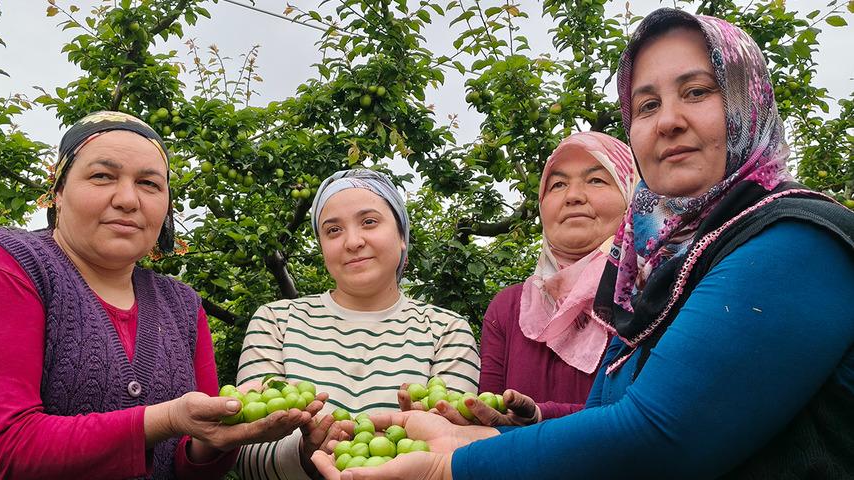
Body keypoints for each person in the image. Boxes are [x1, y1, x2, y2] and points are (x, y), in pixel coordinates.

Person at [311, 8, 854, 479]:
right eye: (645, 105)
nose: (667, 121)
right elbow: (613, 415)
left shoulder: (796, 239)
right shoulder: (662, 270)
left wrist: (450, 466)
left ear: (747, 101)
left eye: (698, 91)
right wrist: (493, 436)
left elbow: (658, 437)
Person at [0, 111, 322, 479]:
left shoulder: (182, 305)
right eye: (102, 176)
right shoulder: (11, 266)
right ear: (58, 190)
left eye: (149, 183)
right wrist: (165, 418)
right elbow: (4, 447)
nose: (128, 199)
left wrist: (218, 438)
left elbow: (187, 464)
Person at [236, 168, 480, 479]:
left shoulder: (446, 330)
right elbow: (246, 455)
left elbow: (455, 450)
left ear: (402, 236)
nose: (353, 242)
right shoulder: (276, 321)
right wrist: (306, 451)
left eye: (369, 222)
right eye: (333, 230)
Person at [473, 132, 636, 424]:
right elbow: (488, 415)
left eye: (596, 179)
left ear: (630, 194)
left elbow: (645, 417)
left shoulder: (650, 295)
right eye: (558, 184)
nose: (573, 196)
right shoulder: (508, 309)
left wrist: (540, 416)